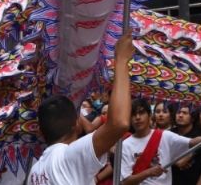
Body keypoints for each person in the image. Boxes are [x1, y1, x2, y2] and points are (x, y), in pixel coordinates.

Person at [28, 33, 133, 185]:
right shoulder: (69, 156)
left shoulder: (35, 172)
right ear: (76, 125)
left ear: (41, 131)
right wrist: (122, 60)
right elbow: (119, 123)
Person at [118, 98, 201, 185]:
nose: (137, 117)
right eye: (133, 114)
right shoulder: (125, 145)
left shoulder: (165, 136)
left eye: (141, 113)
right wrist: (148, 173)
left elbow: (192, 142)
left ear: (150, 115)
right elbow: (125, 181)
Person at [171, 104, 201, 185]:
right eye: (178, 112)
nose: (180, 115)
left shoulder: (200, 135)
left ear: (193, 118)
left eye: (185, 113)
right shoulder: (170, 133)